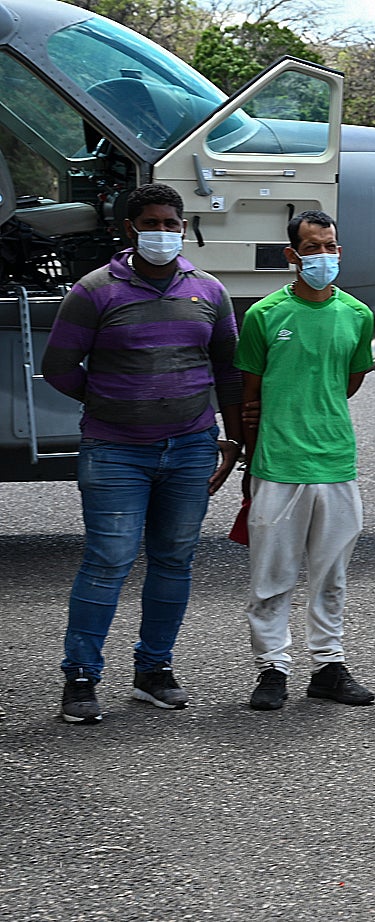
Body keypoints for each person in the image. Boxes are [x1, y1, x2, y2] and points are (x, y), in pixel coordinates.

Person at [42, 182, 243, 724]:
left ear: (183, 228)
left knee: (175, 560)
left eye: (171, 224)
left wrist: (235, 439)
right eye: (151, 223)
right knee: (108, 561)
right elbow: (58, 367)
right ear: (130, 229)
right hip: (115, 450)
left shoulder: (209, 292)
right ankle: (81, 676)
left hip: (190, 448)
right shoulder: (94, 291)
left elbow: (227, 368)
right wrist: (109, 398)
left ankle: (154, 670)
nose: (163, 233)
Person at [234, 209, 375, 711]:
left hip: (336, 464)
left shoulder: (356, 315)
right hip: (277, 466)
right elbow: (249, 394)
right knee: (271, 577)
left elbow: (349, 380)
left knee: (331, 577)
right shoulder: (264, 316)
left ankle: (328, 666)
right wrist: (249, 460)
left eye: (330, 246)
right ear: (292, 255)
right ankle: (271, 668)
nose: (323, 256)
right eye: (312, 248)